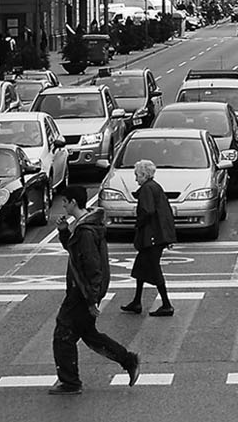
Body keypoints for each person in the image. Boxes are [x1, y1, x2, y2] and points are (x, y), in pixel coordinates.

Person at [50, 184, 140, 394]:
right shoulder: (85, 225)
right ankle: (128, 360)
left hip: (81, 292)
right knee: (89, 334)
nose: (63, 206)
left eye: (65, 202)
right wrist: (63, 232)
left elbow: (92, 267)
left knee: (63, 335)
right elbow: (76, 252)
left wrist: (91, 299)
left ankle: (71, 383)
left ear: (73, 202)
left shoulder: (86, 231)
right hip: (84, 291)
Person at [119, 160, 177, 316]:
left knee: (153, 268)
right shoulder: (155, 187)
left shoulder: (147, 189)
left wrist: (138, 224)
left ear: (144, 175)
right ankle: (137, 301)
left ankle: (166, 304)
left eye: (137, 175)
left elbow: (147, 211)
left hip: (152, 236)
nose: (135, 179)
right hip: (158, 235)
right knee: (141, 267)